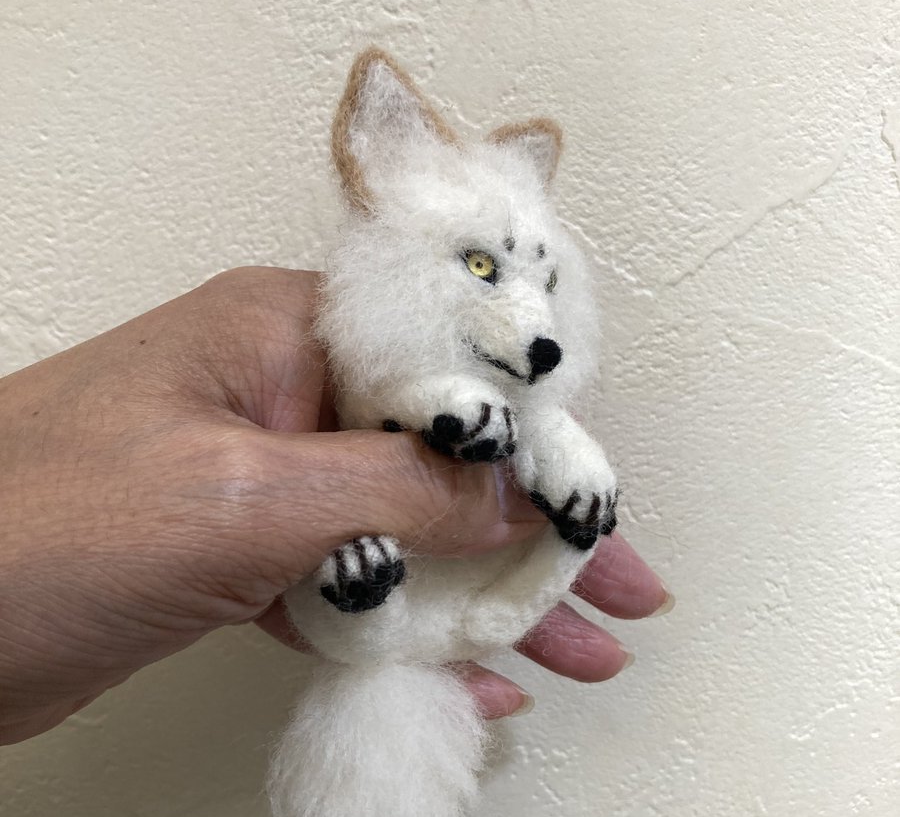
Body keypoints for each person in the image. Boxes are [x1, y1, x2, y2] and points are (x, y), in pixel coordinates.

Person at [0, 266, 672, 746]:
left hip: (486, 607)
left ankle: (407, 593)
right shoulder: (387, 374)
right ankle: (367, 604)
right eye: (480, 267)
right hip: (395, 617)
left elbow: (556, 437)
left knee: (558, 541)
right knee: (355, 608)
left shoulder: (529, 398)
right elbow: (404, 400)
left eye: (546, 281)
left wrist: (578, 493)